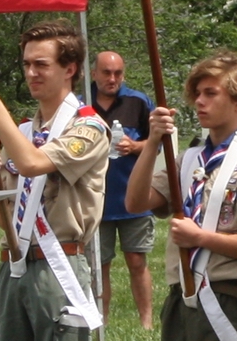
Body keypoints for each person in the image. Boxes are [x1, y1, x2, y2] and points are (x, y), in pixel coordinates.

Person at [0, 20, 111, 341]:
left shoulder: (88, 128)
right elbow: (6, 219)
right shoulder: (23, 133)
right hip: (14, 266)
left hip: (58, 265)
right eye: (27, 64)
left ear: (69, 69)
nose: (31, 73)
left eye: (42, 64)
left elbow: (32, 164)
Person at [128, 51, 237, 340]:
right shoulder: (189, 160)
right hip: (181, 298)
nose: (200, 101)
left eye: (211, 93)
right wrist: (152, 142)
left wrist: (201, 239)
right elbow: (136, 202)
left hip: (228, 299)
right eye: (198, 93)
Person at [91, 50, 158, 328]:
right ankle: (101, 322)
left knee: (136, 260)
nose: (112, 78)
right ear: (94, 74)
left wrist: (135, 147)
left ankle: (146, 322)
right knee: (100, 264)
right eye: (106, 72)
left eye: (118, 73)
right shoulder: (81, 104)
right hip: (96, 200)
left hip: (134, 197)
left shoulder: (139, 101)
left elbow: (158, 140)